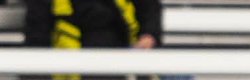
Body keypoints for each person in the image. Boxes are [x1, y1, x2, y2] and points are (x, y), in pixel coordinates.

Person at [24, 0, 161, 48]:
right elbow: (37, 35)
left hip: (119, 57)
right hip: (65, 70)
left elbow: (149, 9)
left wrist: (149, 36)